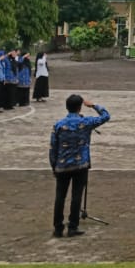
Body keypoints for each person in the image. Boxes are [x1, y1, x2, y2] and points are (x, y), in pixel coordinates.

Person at [48, 94, 111, 238]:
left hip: (62, 166)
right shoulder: (86, 122)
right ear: (79, 107)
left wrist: (53, 166)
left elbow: (53, 148)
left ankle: (58, 228)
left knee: (60, 197)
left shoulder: (59, 125)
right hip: (80, 165)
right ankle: (72, 226)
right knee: (77, 196)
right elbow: (106, 116)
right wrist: (93, 105)